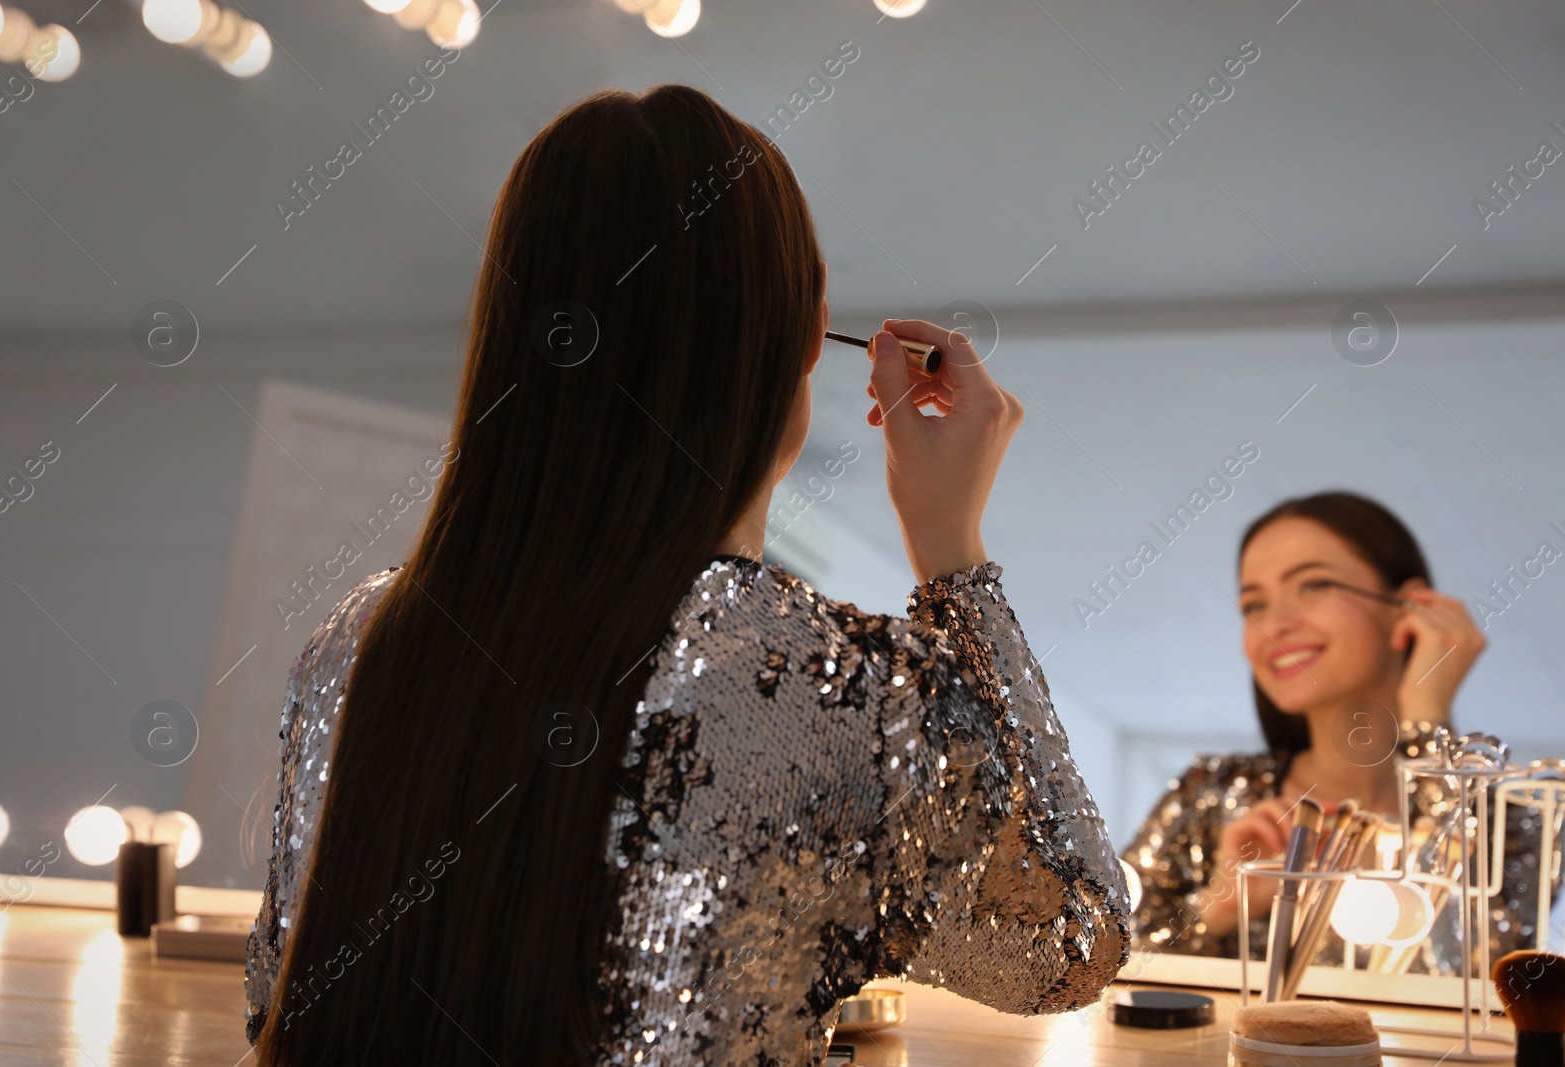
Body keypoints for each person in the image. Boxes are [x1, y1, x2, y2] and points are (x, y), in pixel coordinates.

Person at [243, 84, 1129, 1066]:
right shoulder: (837, 688)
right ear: (807, 336)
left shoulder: (354, 647)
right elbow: (1073, 943)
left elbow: (273, 1002)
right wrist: (954, 557)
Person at [1123, 491, 1557, 970]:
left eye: (1313, 585)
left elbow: (1485, 967)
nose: (1276, 624)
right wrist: (1220, 907)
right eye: (1254, 605)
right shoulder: (1208, 793)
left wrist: (1426, 719)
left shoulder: (1511, 820)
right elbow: (1098, 969)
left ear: (1408, 607)